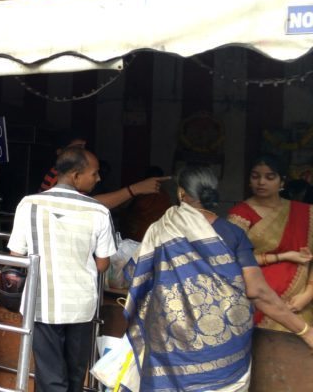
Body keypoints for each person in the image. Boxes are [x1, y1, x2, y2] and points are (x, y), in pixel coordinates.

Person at [122, 165, 313, 392]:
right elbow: (258, 292)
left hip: (171, 335)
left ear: (181, 193)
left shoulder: (161, 229)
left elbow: (137, 277)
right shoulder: (232, 233)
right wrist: (306, 331)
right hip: (225, 340)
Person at [8, 147, 116, 392]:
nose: (98, 179)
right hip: (81, 307)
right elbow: (102, 263)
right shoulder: (99, 211)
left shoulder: (29, 204)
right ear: (76, 176)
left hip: (42, 304)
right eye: (94, 173)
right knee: (76, 374)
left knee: (50, 376)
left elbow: (16, 254)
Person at [228, 154, 313, 331]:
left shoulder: (304, 212)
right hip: (256, 298)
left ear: (282, 181)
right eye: (255, 176)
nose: (261, 182)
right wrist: (282, 256)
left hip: (300, 299)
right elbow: (230, 260)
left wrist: (308, 294)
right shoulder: (240, 214)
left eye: (269, 177)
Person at [38, 137, 168, 210]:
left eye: (84, 147)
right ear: (60, 152)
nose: (83, 152)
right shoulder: (56, 176)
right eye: (77, 148)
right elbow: (86, 204)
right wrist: (134, 189)